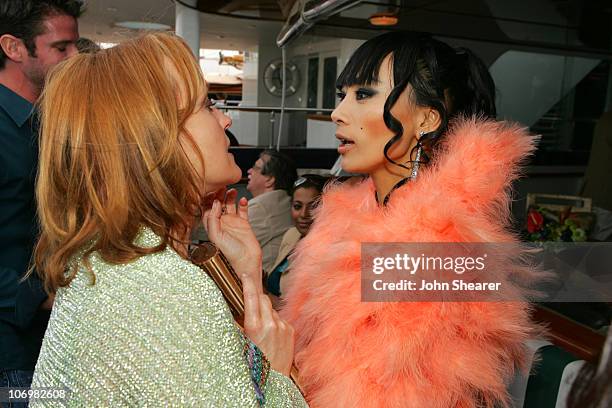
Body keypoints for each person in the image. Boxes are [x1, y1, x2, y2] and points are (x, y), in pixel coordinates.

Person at [29, 32, 305, 406]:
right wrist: (272, 373)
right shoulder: (160, 288)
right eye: (207, 105)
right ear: (156, 137)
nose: (224, 120)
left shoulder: (114, 263)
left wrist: (247, 276)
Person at [281, 31, 541, 407]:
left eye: (364, 94)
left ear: (426, 118)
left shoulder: (439, 247)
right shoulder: (346, 214)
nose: (338, 112)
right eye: (343, 95)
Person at [0, 0, 81, 394]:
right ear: (14, 48)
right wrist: (37, 297)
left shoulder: (50, 123)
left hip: (52, 345)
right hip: (11, 356)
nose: (75, 57)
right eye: (62, 48)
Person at [266, 174, 327, 301]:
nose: (304, 214)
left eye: (314, 207)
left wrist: (263, 295)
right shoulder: (292, 235)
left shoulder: (330, 249)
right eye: (297, 206)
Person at [246, 149, 297, 275]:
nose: (249, 171)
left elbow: (234, 248)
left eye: (255, 168)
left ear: (269, 180)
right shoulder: (285, 200)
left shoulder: (261, 206)